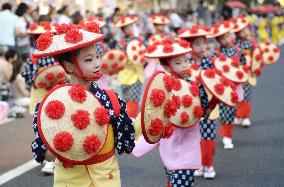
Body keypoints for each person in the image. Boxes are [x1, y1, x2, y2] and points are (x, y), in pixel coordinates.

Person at [31, 22, 140, 186]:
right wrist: (62, 143)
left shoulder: (111, 99)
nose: (97, 63)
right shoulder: (51, 105)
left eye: (97, 56)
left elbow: (126, 142)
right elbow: (45, 154)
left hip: (107, 180)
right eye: (89, 59)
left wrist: (150, 117)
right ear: (68, 66)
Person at [133, 38, 215, 187]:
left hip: (188, 143)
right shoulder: (162, 88)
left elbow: (202, 112)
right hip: (169, 142)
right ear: (166, 65)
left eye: (185, 61)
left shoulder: (195, 86)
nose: (184, 65)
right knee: (171, 175)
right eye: (178, 63)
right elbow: (150, 112)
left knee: (182, 178)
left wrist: (208, 107)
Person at [178, 25, 217, 179]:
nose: (202, 47)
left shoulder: (210, 62)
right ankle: (198, 163)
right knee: (194, 137)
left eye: (204, 43)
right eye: (197, 44)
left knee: (208, 135)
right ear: (190, 46)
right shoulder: (185, 63)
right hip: (191, 104)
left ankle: (208, 165)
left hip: (207, 104)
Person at [207, 21, 246, 149]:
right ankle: (226, 136)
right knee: (224, 112)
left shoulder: (238, 51)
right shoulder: (216, 54)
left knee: (230, 111)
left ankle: (227, 136)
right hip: (222, 88)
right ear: (218, 40)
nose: (224, 40)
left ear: (230, 36)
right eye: (221, 38)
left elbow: (243, 66)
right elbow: (211, 70)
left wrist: (243, 76)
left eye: (226, 36)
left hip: (235, 86)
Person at [114, 15, 145, 118]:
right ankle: (130, 124)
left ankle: (130, 123)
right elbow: (118, 58)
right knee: (128, 101)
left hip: (136, 75)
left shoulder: (137, 39)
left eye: (130, 26)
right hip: (126, 74)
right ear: (123, 30)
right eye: (126, 27)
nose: (129, 28)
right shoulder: (121, 43)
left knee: (133, 101)